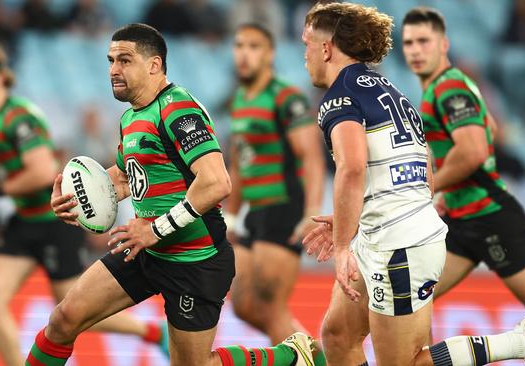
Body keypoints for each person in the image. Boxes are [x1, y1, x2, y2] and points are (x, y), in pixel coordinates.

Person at [24, 23, 316, 366]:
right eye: (110, 60)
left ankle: (289, 356)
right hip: (146, 250)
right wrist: (78, 198)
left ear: (154, 65)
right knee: (64, 319)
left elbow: (216, 182)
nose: (114, 69)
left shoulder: (177, 109)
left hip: (194, 260)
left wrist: (154, 229)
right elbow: (123, 178)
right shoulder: (131, 117)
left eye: (125, 60)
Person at [300, 3, 525, 366]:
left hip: (396, 247)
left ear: (327, 48)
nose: (304, 56)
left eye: (307, 45)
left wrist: (343, 243)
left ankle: (520, 342)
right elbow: (418, 172)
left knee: (405, 362)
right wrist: (353, 216)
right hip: (396, 234)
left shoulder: (338, 99)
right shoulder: (391, 91)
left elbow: (351, 168)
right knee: (338, 335)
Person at [0, 40, 167, 366]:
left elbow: (41, 172)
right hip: (25, 220)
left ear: (1, 77)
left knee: (73, 309)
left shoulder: (19, 117)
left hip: (57, 220)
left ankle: (152, 333)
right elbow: (0, 165)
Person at [226, 23, 327, 365]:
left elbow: (311, 156)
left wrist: (310, 212)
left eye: (253, 46)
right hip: (255, 212)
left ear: (269, 54)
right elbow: (240, 163)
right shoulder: (240, 99)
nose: (243, 53)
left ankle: (313, 360)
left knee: (270, 305)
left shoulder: (286, 97)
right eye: (239, 45)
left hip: (284, 206)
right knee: (245, 306)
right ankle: (309, 357)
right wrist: (229, 214)